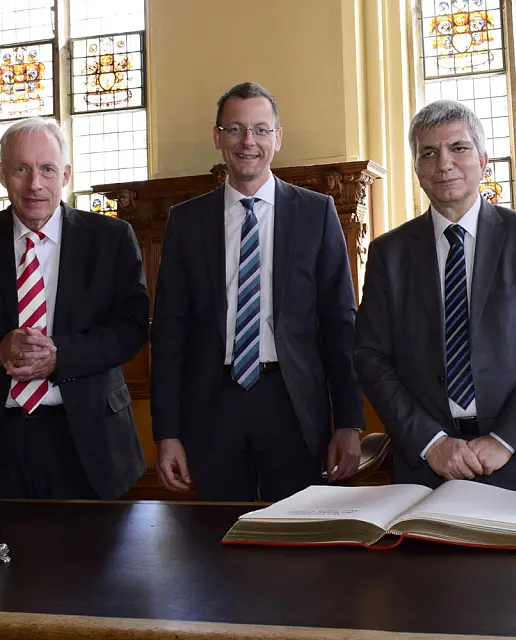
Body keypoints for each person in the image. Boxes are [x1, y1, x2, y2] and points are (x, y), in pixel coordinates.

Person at [151, 82, 364, 501]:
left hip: (293, 403)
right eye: (235, 129)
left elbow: (341, 323)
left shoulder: (315, 213)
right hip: (212, 405)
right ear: (217, 137)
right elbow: (170, 333)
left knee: (296, 544)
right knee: (216, 542)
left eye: (261, 129)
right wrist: (167, 433)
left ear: (277, 138)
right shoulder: (185, 222)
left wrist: (349, 422)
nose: (248, 141)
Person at [354, 99, 516, 494]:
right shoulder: (388, 253)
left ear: (483, 159)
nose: (444, 163)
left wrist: (504, 440)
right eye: (429, 152)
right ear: (417, 170)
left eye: (458, 148)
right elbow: (371, 358)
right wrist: (431, 442)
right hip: (429, 465)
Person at [0, 117, 149, 500]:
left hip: (89, 439)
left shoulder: (110, 238)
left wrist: (61, 355)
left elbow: (131, 328)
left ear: (67, 174)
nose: (35, 184)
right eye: (21, 169)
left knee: (94, 559)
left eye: (47, 169)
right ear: (1, 174)